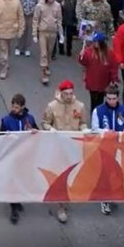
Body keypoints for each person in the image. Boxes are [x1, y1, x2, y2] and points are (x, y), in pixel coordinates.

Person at [41, 80, 87, 224]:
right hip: (58, 146)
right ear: (61, 93)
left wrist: (84, 129)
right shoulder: (52, 106)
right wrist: (51, 129)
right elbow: (44, 122)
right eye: (66, 94)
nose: (68, 96)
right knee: (60, 175)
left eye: (71, 93)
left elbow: (83, 123)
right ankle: (61, 206)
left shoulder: (80, 106)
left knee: (71, 174)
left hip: (73, 145)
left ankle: (66, 197)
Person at [89, 85, 124, 214]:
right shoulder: (98, 110)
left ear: (118, 98)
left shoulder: (123, 110)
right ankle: (104, 199)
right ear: (106, 98)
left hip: (119, 146)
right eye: (109, 98)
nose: (111, 101)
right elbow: (94, 129)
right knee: (106, 173)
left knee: (118, 172)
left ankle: (114, 194)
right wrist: (107, 132)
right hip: (104, 147)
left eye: (114, 98)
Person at [33, 0, 62, 85]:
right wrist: (34, 34)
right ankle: (44, 73)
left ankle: (47, 65)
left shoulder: (57, 6)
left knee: (49, 52)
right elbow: (35, 19)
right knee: (43, 53)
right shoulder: (39, 5)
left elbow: (59, 20)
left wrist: (61, 34)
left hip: (53, 32)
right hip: (42, 32)